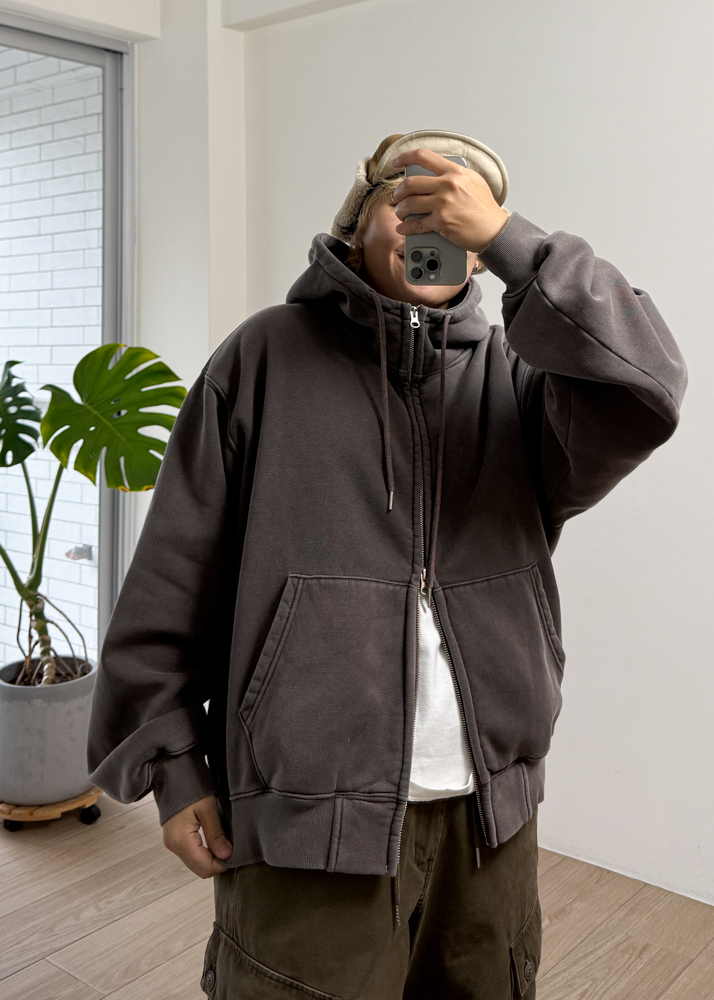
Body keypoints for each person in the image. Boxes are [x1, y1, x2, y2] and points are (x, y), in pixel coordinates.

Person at [87, 130, 687, 999]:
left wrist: (515, 243)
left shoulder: (522, 381)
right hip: (304, 819)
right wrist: (175, 769)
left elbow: (650, 384)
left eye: (459, 206)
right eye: (408, 196)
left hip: (490, 822)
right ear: (354, 222)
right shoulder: (263, 359)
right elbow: (174, 578)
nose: (432, 217)